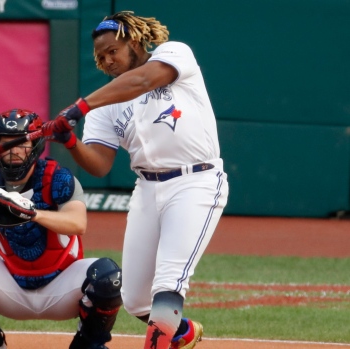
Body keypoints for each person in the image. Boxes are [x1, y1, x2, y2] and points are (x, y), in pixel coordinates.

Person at [42, 11, 229, 349]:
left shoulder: (173, 54)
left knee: (168, 283)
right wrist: (70, 140)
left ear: (134, 40)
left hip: (195, 182)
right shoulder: (104, 105)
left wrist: (78, 107)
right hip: (147, 189)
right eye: (100, 56)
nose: (107, 60)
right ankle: (183, 333)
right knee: (135, 299)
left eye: (112, 50)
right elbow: (99, 165)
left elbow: (142, 81)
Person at [0, 109, 123, 349]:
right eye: (6, 143)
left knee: (108, 277)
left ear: (36, 145)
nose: (15, 150)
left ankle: (88, 344)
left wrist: (32, 214)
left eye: (23, 143)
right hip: (11, 288)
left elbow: (77, 223)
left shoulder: (58, 179)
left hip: (62, 286)